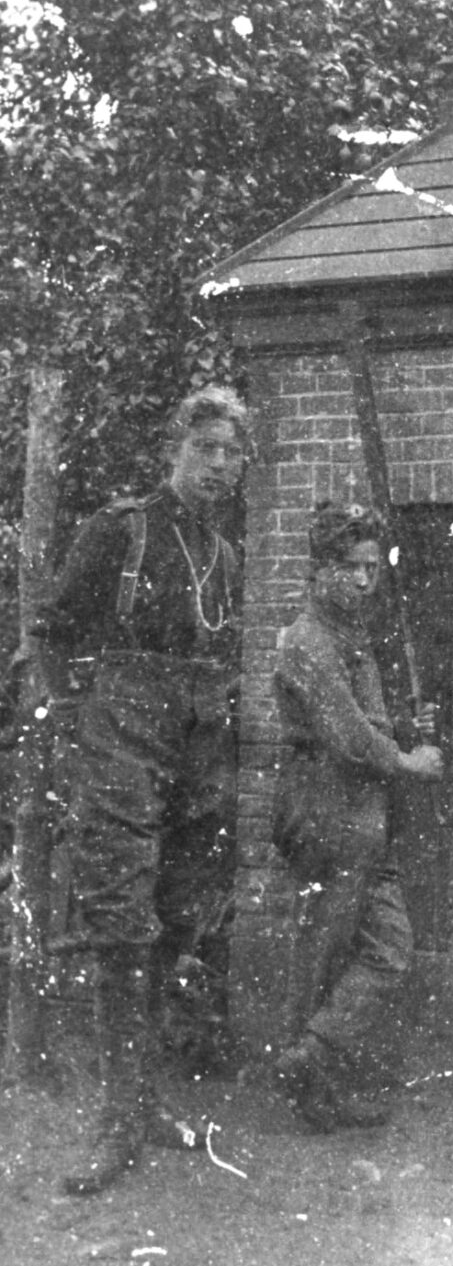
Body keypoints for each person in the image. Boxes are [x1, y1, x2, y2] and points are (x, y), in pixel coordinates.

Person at [33, 384, 249, 1195]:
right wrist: (69, 737)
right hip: (120, 736)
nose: (218, 467)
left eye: (232, 454)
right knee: (120, 920)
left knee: (178, 914)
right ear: (175, 450)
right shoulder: (121, 531)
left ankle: (145, 1101)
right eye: (205, 450)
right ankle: (115, 1122)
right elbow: (51, 632)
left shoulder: (228, 558)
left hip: (197, 747)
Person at [272, 500, 444, 1133]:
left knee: (388, 950)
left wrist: (403, 728)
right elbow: (347, 737)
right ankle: (311, 1094)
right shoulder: (307, 640)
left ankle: (308, 1057)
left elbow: (367, 724)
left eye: (373, 567)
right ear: (319, 570)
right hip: (324, 803)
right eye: (351, 567)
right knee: (324, 949)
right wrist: (409, 759)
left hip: (361, 808)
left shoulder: (350, 636)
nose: (366, 580)